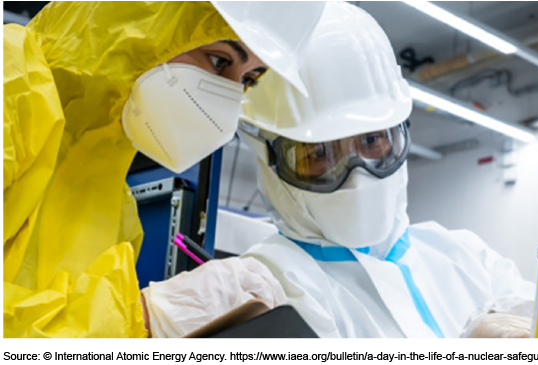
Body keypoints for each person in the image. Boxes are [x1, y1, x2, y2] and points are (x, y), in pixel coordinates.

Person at [143, 2, 535, 338]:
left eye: (371, 142)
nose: (358, 174)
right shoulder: (263, 288)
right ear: (269, 158)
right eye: (318, 155)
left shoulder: (468, 259)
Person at [4, 1, 325, 338]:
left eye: (248, 80)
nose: (229, 101)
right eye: (219, 61)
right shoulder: (12, 81)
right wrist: (140, 317)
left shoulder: (116, 205)